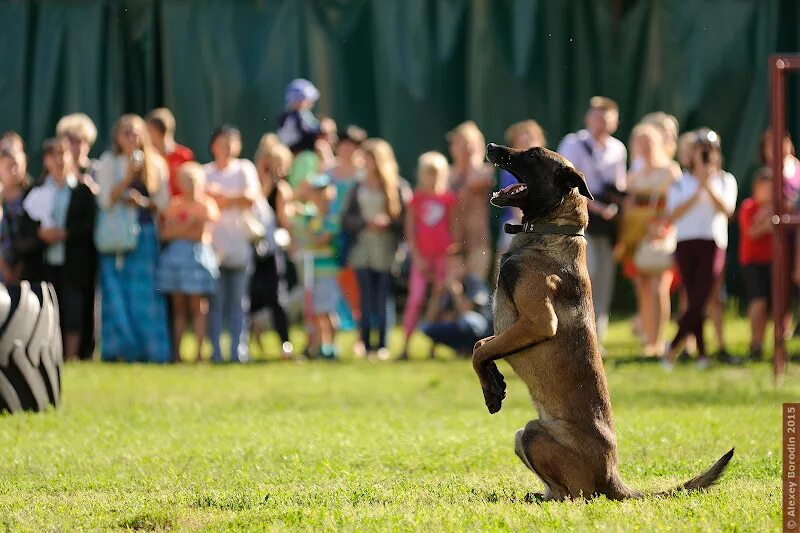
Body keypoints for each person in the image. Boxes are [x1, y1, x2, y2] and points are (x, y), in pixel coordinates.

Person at [95, 114, 171, 363]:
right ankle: (119, 350)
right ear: (117, 136)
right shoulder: (108, 161)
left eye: (135, 132)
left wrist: (143, 203)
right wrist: (128, 176)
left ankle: (151, 352)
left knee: (146, 296)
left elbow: (162, 204)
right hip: (116, 240)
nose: (130, 137)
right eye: (125, 132)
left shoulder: (156, 162)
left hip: (145, 237)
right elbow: (105, 200)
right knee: (117, 296)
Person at [663, 129, 737, 369]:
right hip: (685, 243)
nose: (706, 155)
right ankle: (702, 354)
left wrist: (708, 185)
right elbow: (672, 214)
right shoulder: (680, 182)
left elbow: (727, 211)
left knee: (702, 295)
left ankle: (673, 346)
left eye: (710, 150)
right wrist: (697, 190)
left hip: (713, 243)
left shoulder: (725, 180)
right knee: (693, 296)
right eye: (701, 150)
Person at [557, 96, 627, 349]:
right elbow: (566, 183)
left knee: (604, 279)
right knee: (584, 275)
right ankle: (572, 333)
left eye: (606, 118)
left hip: (606, 225)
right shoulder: (572, 144)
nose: (601, 123)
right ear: (588, 118)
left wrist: (615, 207)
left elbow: (619, 186)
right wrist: (595, 206)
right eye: (597, 117)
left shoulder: (618, 149)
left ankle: (596, 339)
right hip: (579, 220)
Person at [22, 137, 97, 361]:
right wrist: (41, 234)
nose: (58, 160)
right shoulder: (35, 191)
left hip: (73, 262)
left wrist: (66, 233)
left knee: (73, 308)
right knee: (47, 310)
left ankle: (72, 356)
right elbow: (27, 224)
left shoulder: (82, 191)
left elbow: (88, 223)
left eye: (62, 154)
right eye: (53, 155)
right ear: (45, 160)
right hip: (44, 264)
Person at [619, 123, 680, 357]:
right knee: (643, 287)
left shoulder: (670, 171)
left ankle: (658, 340)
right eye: (640, 143)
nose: (644, 148)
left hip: (660, 233)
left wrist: (662, 226)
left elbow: (676, 204)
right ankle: (649, 340)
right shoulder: (634, 174)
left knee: (659, 287)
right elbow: (628, 204)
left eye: (649, 143)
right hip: (637, 236)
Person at [342, 138, 405, 360]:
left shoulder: (396, 186)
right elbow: (346, 218)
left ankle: (382, 345)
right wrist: (364, 223)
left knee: (382, 298)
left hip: (386, 251)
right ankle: (367, 344)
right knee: (366, 299)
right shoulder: (357, 186)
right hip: (362, 250)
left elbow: (405, 220)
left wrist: (388, 223)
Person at [204, 125, 260, 363]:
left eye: (231, 143)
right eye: (222, 142)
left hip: (239, 248)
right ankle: (215, 352)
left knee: (238, 303)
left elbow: (250, 198)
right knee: (215, 305)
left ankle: (238, 351)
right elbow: (204, 200)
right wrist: (232, 199)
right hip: (213, 250)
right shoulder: (205, 172)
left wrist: (222, 197)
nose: (227, 148)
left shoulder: (245, 168)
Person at [156, 162, 220, 363]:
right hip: (175, 261)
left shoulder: (207, 205)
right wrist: (188, 226)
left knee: (198, 307)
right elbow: (165, 233)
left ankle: (200, 353)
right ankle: (177, 354)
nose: (190, 185)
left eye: (193, 181)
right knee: (179, 308)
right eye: (186, 181)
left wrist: (179, 229)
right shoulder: (174, 205)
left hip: (197, 259)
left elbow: (200, 233)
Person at [398, 151, 456, 361]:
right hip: (422, 257)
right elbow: (410, 231)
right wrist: (417, 257)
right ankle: (406, 344)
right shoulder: (416, 199)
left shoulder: (449, 199)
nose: (432, 179)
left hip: (442, 258)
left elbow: (452, 229)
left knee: (438, 299)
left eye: (436, 174)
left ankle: (432, 343)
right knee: (416, 299)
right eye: (429, 174)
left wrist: (449, 258)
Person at [55, 112, 100, 360]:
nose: (75, 145)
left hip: (89, 247)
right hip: (64, 250)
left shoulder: (96, 171)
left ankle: (85, 351)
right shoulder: (56, 173)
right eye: (70, 139)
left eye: (80, 140)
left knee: (89, 299)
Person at [250, 142, 294, 359]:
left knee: (277, 297)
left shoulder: (282, 189)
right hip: (252, 247)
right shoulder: (254, 185)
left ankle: (285, 343)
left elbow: (285, 220)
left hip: (272, 250)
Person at [322, 125, 367, 324]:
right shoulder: (328, 172)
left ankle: (360, 325)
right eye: (344, 145)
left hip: (358, 233)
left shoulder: (364, 173)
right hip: (333, 235)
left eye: (352, 146)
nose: (348, 150)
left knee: (358, 281)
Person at [293, 175, 341, 359]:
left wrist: (309, 232)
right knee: (316, 311)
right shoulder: (311, 217)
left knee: (324, 311)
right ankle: (319, 346)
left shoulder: (331, 218)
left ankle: (328, 347)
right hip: (312, 270)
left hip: (326, 271)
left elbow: (323, 240)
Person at [447, 121, 495, 282]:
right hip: (453, 244)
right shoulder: (447, 174)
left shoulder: (485, 171)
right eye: (461, 143)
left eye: (471, 144)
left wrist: (475, 156)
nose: (466, 148)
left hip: (478, 242)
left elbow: (473, 181)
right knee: (452, 287)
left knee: (475, 286)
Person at [420, 257, 493, 358]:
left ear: (465, 267)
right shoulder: (448, 286)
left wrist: (456, 293)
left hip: (483, 329)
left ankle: (472, 349)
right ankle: (461, 349)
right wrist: (436, 295)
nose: (452, 271)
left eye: (456, 266)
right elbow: (432, 319)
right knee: (425, 327)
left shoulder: (474, 281)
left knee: (467, 320)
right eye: (450, 267)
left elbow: (467, 312)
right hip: (460, 325)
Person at [496, 120, 546, 259]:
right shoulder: (509, 171)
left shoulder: (549, 169)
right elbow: (516, 207)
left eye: (530, 138)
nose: (526, 142)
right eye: (521, 142)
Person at [740, 173, 773, 362]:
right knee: (758, 302)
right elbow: (751, 232)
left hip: (773, 261)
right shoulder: (749, 206)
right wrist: (766, 220)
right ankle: (755, 344)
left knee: (771, 306)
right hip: (753, 262)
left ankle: (766, 344)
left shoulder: (777, 207)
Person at [0, 148, 37, 284]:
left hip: (27, 276)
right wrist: (4, 268)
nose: (14, 170)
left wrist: (17, 272)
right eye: (9, 166)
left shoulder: (33, 196)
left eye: (17, 165)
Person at [145, 108, 195, 197]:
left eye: (149, 130)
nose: (146, 135)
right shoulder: (148, 156)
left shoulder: (184, 155)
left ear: (158, 130)